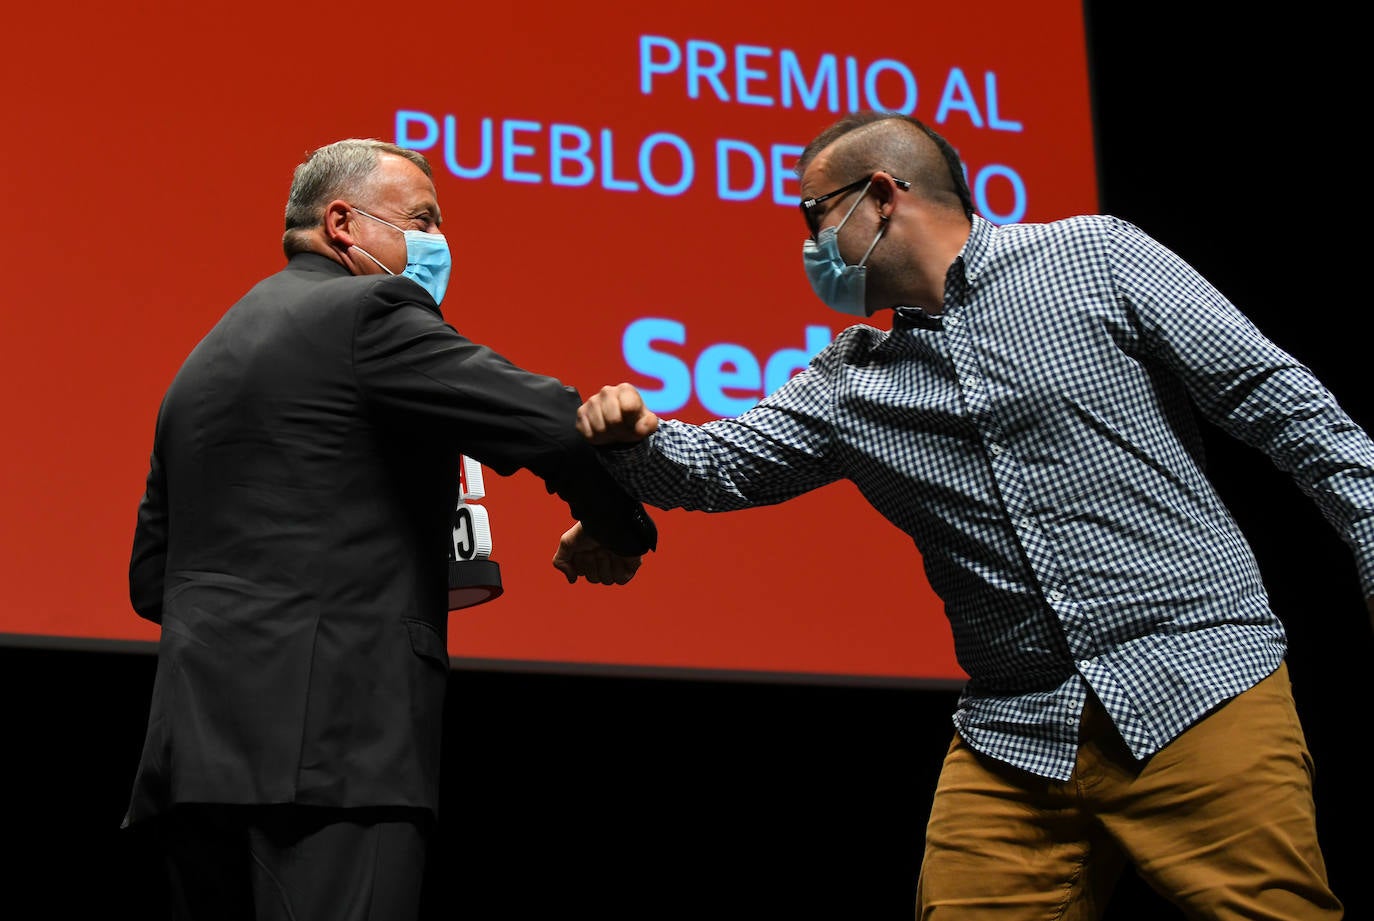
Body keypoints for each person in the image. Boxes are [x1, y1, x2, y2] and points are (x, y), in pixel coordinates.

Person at [575, 111, 1374, 919]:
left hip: (1196, 684)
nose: (808, 246)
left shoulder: (1096, 256)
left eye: (813, 216)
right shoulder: (849, 381)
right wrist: (632, 443)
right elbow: (716, 468)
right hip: (1013, 734)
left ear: (882, 195)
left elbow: (1283, 406)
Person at [123, 138, 657, 921]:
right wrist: (618, 528)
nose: (440, 244)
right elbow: (548, 420)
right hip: (335, 756)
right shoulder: (365, 311)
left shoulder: (201, 362)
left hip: (189, 768)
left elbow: (150, 581)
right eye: (423, 219)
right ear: (342, 222)